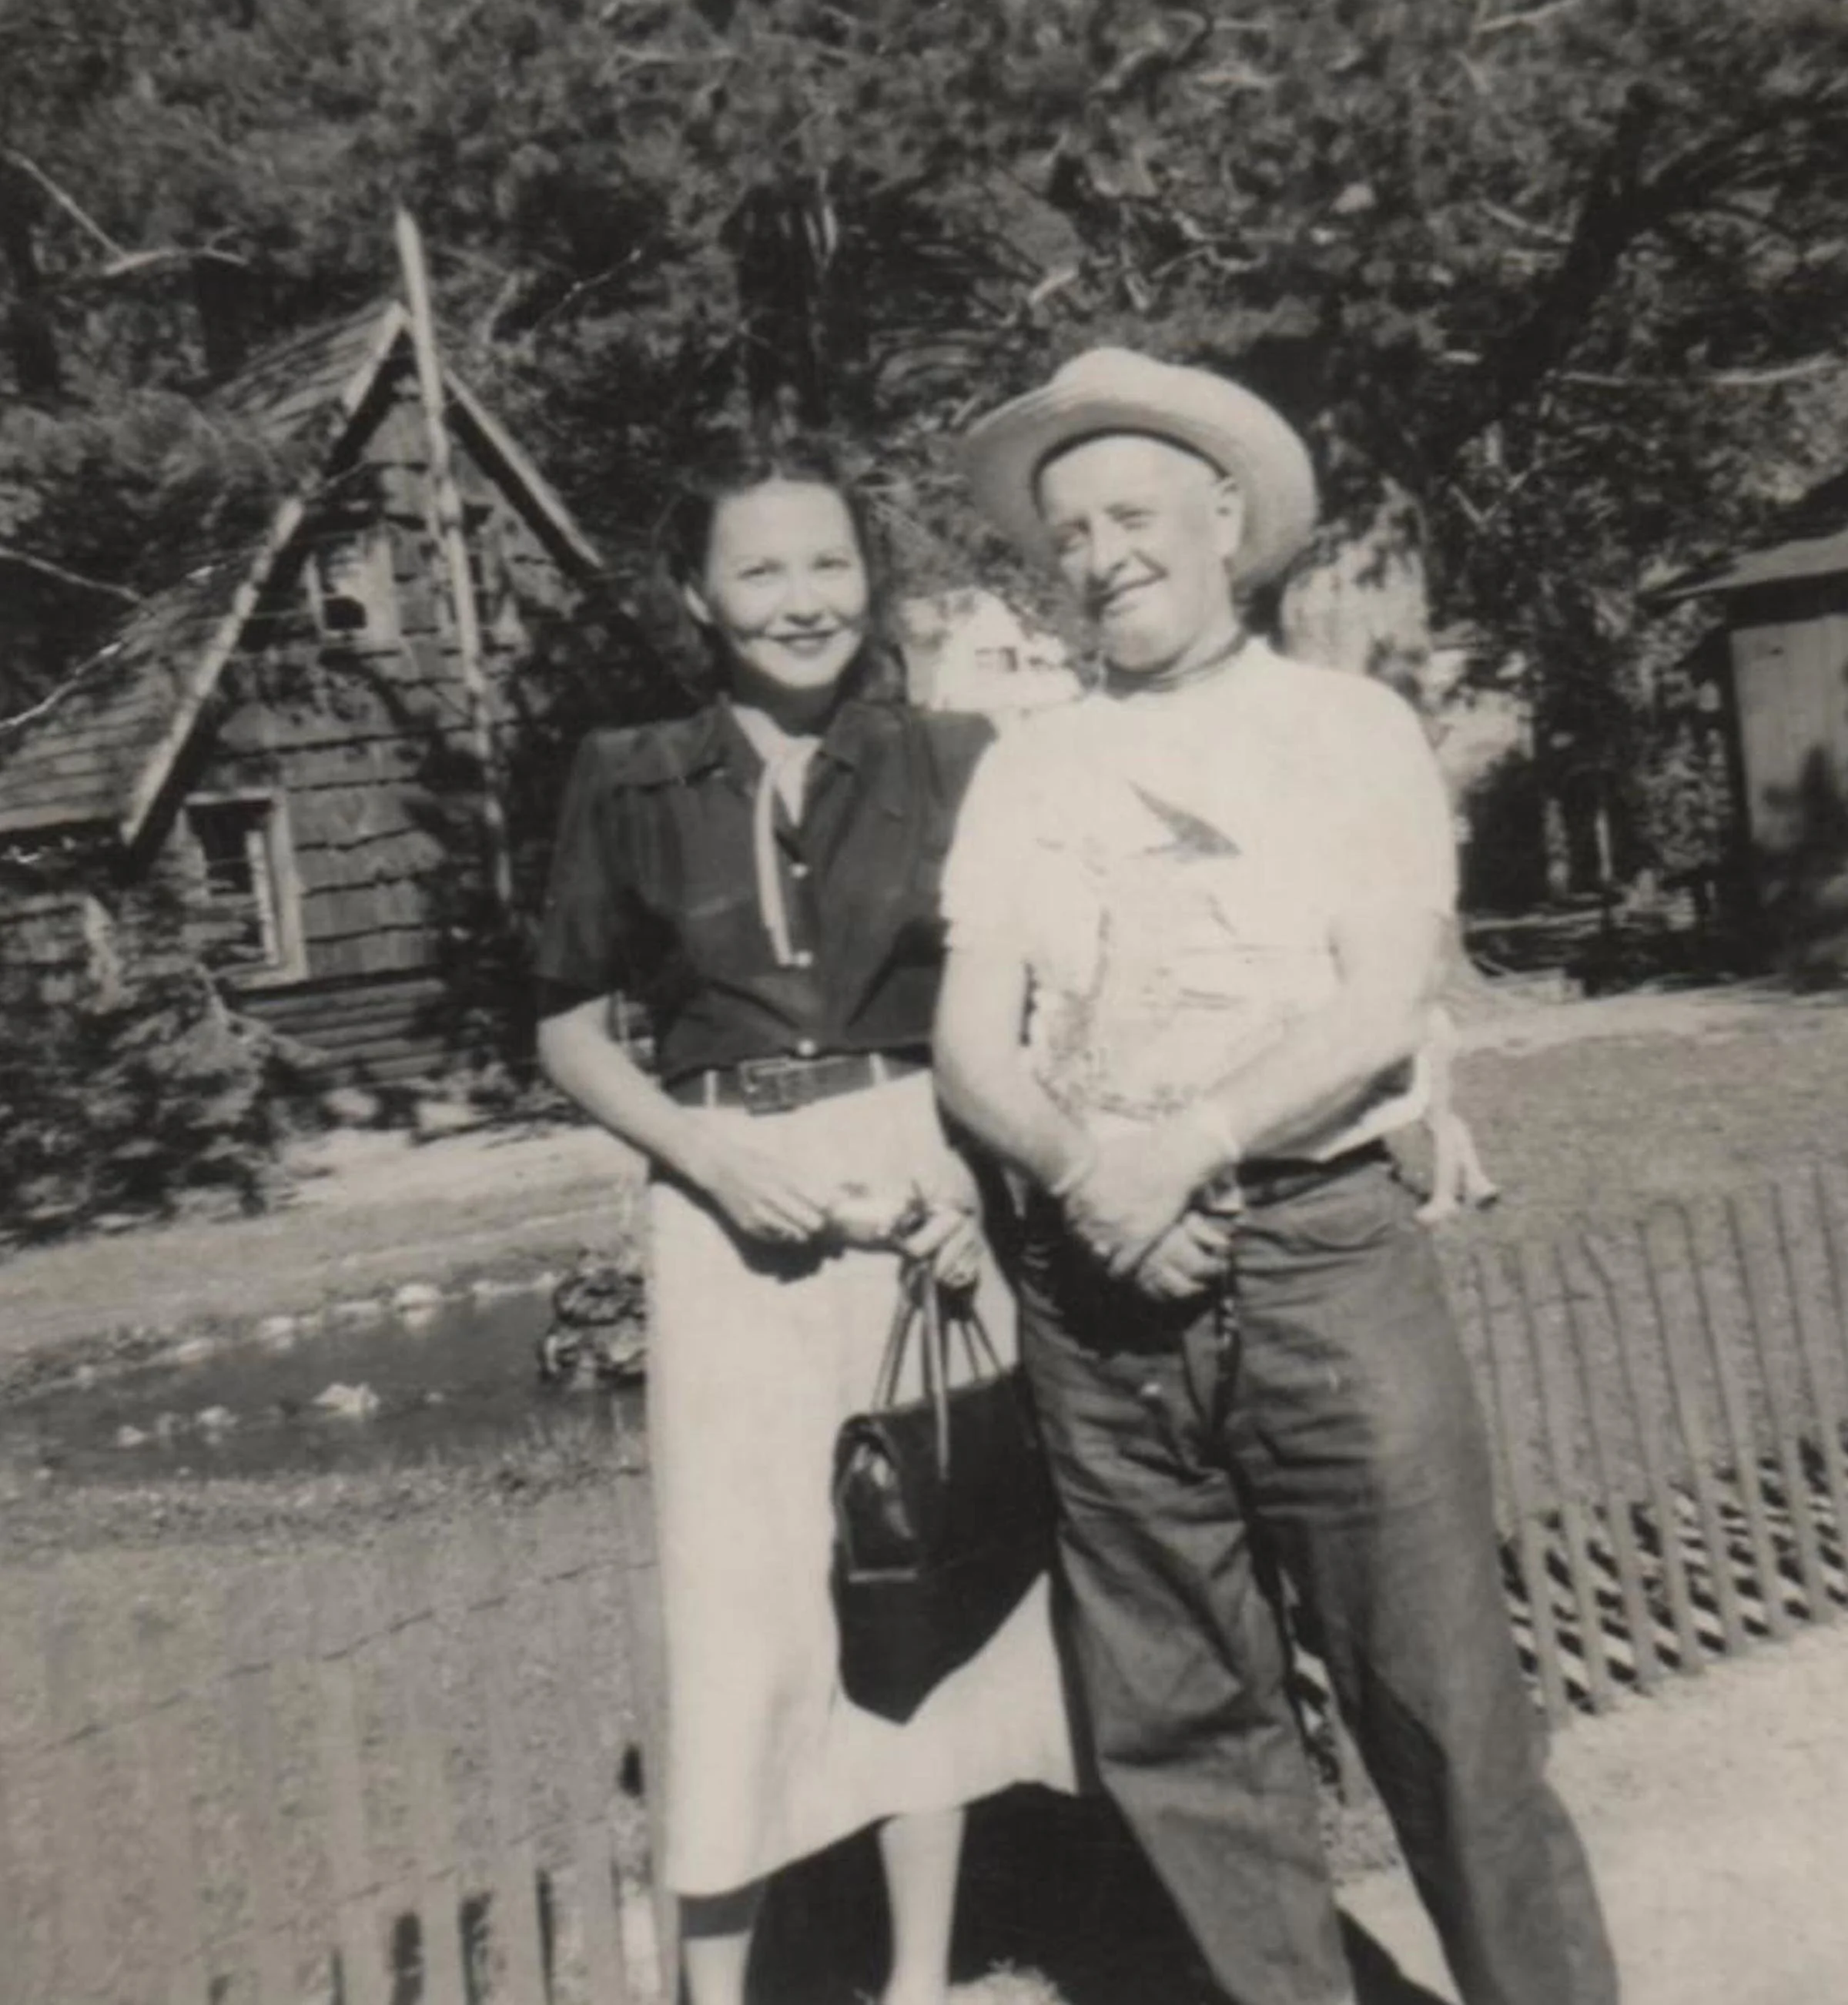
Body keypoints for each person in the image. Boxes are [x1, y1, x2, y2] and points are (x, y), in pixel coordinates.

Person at [932, 350, 1619, 2005]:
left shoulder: (1345, 727)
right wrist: (1099, 1179)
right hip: (1097, 1302)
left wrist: (1181, 1151)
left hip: (1320, 1260)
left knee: (1447, 1710)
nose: (1104, 552)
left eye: (1137, 513)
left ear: (1224, 519)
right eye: (1070, 528)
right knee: (1182, 1731)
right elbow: (974, 1044)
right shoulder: (1027, 765)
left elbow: (1380, 996)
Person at [533, 462, 1074, 2005]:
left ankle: (916, 1980)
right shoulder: (628, 775)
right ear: (697, 599)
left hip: (928, 1188)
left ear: (870, 579)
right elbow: (569, 1029)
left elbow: (1018, 1000)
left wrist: (973, 1187)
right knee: (741, 1602)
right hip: (728, 1210)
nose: (801, 600)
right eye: (759, 573)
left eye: (829, 564)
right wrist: (704, 1150)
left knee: (926, 1562)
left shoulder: (956, 758)